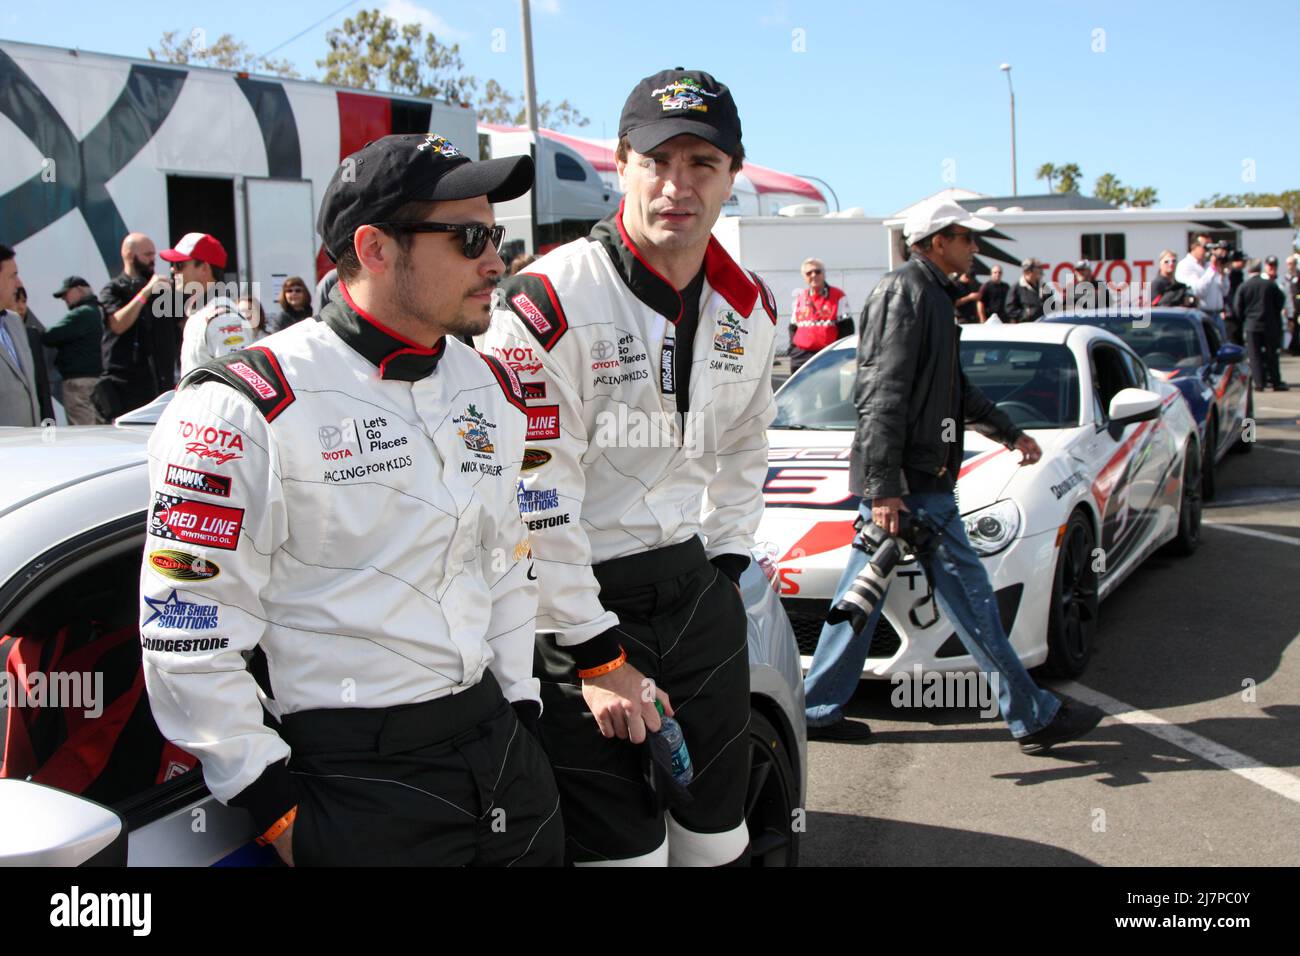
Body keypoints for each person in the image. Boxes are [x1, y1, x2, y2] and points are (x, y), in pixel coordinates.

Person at [139, 132, 562, 866]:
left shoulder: (487, 385)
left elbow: (506, 564)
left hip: (501, 754)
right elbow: (186, 633)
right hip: (355, 780)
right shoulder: (244, 405)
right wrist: (275, 808)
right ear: (373, 249)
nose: (496, 261)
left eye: (494, 235)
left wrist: (519, 708)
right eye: (468, 238)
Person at [482, 68, 778, 867]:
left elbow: (749, 442)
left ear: (733, 177)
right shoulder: (545, 301)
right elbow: (534, 497)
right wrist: (596, 651)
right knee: (629, 859)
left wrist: (728, 556)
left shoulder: (751, 306)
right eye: (657, 160)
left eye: (701, 164)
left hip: (695, 592)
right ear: (621, 165)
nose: (676, 186)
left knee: (718, 843)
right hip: (578, 606)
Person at [802, 199, 1104, 752]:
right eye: (966, 238)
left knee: (861, 598)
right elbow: (880, 392)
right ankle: (1032, 713)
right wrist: (885, 485)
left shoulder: (933, 297)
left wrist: (1009, 432)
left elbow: (953, 389)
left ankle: (816, 708)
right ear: (936, 240)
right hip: (915, 488)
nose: (975, 248)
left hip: (915, 483)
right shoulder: (907, 293)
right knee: (971, 598)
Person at [97, 233, 176, 418]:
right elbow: (117, 324)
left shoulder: (162, 291)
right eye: (147, 255)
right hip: (126, 388)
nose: (152, 260)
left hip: (160, 387)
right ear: (130, 256)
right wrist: (146, 292)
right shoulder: (113, 289)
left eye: (154, 255)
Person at [167, 233, 250, 377]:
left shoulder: (224, 317)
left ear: (204, 268)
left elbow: (237, 380)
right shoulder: (199, 312)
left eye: (179, 265)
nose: (172, 269)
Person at [44, 277, 105, 425]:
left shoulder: (81, 313)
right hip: (100, 382)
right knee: (100, 432)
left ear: (79, 289)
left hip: (79, 385)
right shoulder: (101, 311)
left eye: (66, 293)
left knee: (84, 435)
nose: (64, 298)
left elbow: (49, 337)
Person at [0, 244, 42, 426]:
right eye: (12, 275)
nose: (19, 284)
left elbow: (34, 389)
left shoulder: (15, 322)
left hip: (29, 445)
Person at [789, 256, 853, 371]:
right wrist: (793, 350)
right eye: (809, 273)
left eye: (817, 271)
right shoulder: (800, 297)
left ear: (824, 274)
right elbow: (793, 327)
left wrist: (837, 353)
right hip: (801, 357)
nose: (814, 275)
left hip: (827, 355)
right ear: (804, 277)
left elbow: (847, 328)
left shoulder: (837, 295)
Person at [1235, 258, 1288, 391]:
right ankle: (1275, 381)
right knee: (1272, 354)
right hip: (1269, 324)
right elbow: (1280, 301)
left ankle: (1259, 383)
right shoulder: (1270, 285)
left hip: (1252, 325)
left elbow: (1238, 307)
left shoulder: (1244, 286)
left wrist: (1244, 319)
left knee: (1254, 355)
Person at [13, 285, 55, 423]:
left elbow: (42, 387)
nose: (21, 307)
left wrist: (49, 424)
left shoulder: (31, 335)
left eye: (24, 301)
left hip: (33, 422)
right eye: (16, 301)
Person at [1175, 235, 1225, 320]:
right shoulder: (1186, 265)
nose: (1209, 251)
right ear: (1194, 246)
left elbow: (1224, 291)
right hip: (1200, 315)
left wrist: (1223, 273)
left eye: (1211, 247)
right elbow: (1198, 291)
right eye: (1206, 247)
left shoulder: (1209, 265)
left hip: (1217, 314)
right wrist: (1212, 269)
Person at [1004, 257, 1055, 322]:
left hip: (1043, 325)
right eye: (1038, 267)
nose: (1041, 270)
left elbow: (1052, 305)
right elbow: (1010, 309)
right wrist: (1025, 314)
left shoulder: (1044, 287)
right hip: (1026, 328)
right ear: (1030, 270)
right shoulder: (1016, 288)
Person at [1285, 255, 1300, 356]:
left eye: (1291, 264)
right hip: (1290, 305)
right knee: (1291, 327)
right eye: (1288, 264)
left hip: (1298, 305)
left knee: (1297, 327)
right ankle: (1291, 347)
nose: (1289, 266)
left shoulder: (1298, 275)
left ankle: (1295, 347)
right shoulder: (1286, 277)